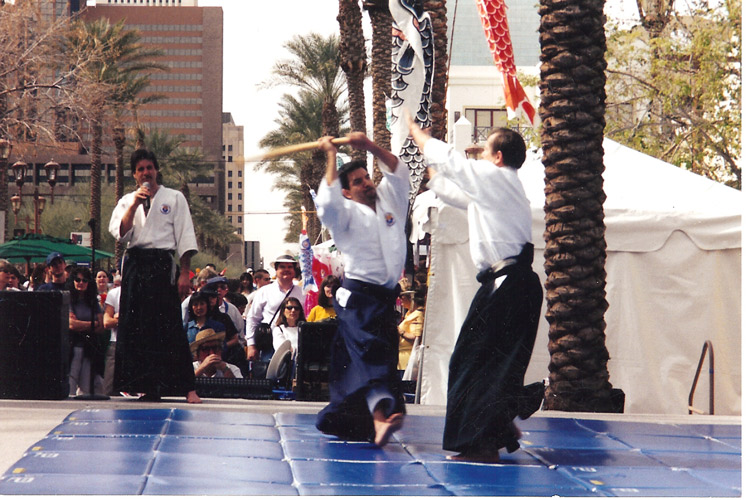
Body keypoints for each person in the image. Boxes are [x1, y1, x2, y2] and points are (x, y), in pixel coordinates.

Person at [409, 122, 543, 462]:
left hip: (509, 283)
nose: (478, 155)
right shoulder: (501, 185)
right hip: (513, 284)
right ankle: (498, 424)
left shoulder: (496, 178)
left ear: (497, 157)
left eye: (484, 151)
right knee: (489, 362)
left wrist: (418, 134)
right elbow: (459, 195)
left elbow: (453, 161)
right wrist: (434, 176)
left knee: (472, 361)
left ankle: (487, 436)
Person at [314, 132, 410, 447]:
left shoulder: (389, 200)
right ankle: (381, 420)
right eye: (357, 181)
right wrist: (330, 154)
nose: (367, 183)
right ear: (347, 191)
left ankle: (359, 422)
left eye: (367, 177)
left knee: (370, 359)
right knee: (371, 356)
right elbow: (326, 201)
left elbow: (399, 169)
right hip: (358, 298)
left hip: (385, 298)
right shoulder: (344, 214)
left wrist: (368, 145)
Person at [108, 148, 201, 403]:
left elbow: (184, 236)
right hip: (136, 264)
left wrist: (184, 273)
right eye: (140, 169)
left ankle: (187, 387)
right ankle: (146, 387)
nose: (146, 172)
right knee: (136, 326)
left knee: (168, 324)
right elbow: (121, 233)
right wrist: (136, 203)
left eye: (149, 167)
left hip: (161, 264)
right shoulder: (128, 200)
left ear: (156, 170)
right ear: (134, 175)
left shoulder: (174, 197)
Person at [245, 255, 304, 365]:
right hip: (269, 345)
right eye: (282, 267)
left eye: (290, 267)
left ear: (294, 270)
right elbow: (252, 319)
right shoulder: (264, 291)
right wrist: (251, 345)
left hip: (296, 344)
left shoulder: (303, 292)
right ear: (276, 270)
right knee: (269, 379)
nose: (286, 269)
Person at [66, 267, 107, 396]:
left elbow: (101, 326)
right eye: (77, 280)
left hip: (89, 349)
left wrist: (82, 324)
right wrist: (92, 324)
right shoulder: (69, 300)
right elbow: (71, 324)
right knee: (70, 384)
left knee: (86, 389)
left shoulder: (93, 302)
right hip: (73, 347)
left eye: (84, 280)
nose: (81, 283)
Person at [397, 286, 426, 372]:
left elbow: (416, 337)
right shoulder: (409, 314)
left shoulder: (418, 315)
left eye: (402, 297)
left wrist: (399, 331)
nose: (400, 300)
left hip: (409, 357)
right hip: (403, 357)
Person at [102, 283, 121, 396]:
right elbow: (107, 322)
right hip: (116, 343)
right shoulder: (114, 293)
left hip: (138, 344)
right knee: (108, 388)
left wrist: (121, 317)